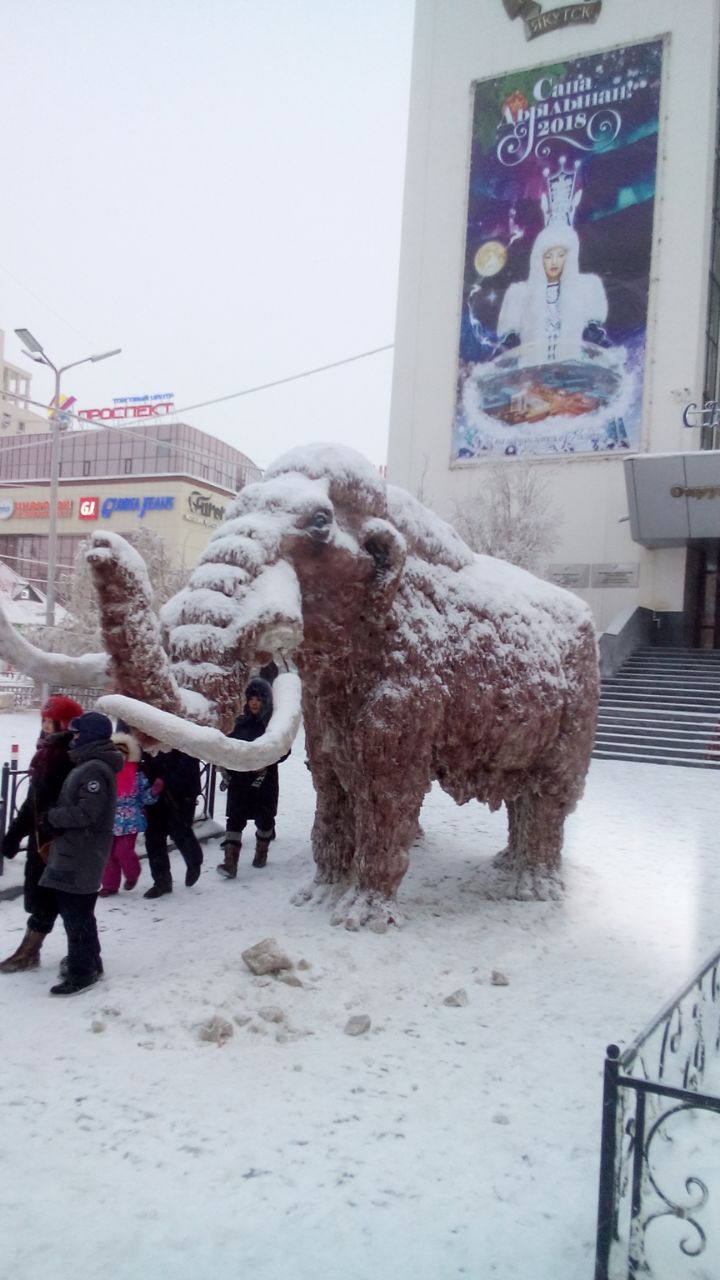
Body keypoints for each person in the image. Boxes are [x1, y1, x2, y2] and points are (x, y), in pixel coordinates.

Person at [40, 711, 123, 996]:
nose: (73, 738)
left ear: (89, 736)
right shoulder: (89, 765)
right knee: (80, 913)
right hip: (78, 851)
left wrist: (54, 816)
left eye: (77, 734)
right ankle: (90, 961)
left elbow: (88, 812)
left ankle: (81, 972)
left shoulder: (94, 770)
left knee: (76, 914)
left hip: (81, 853)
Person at [0, 694, 83, 974]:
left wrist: (51, 825)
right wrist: (15, 835)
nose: (47, 726)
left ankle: (81, 959)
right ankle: (31, 951)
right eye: (45, 720)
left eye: (52, 721)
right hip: (42, 839)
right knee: (42, 896)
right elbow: (33, 801)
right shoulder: (46, 753)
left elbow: (72, 805)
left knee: (64, 902)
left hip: (60, 841)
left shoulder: (70, 757)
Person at [217, 677, 288, 879]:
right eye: (251, 698)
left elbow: (284, 750)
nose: (254, 702)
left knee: (265, 820)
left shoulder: (273, 725)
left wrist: (267, 760)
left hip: (264, 780)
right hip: (239, 779)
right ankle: (230, 863)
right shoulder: (238, 722)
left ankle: (261, 852)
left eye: (258, 698)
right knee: (234, 820)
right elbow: (226, 746)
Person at [99, 731, 163, 896]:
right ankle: (109, 885)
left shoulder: (136, 775)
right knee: (108, 855)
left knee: (124, 851)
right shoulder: (105, 775)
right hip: (109, 821)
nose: (119, 758)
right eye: (116, 754)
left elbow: (144, 797)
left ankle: (132, 873)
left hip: (130, 821)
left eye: (123, 754)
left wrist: (154, 792)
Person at [140, 748, 204, 898]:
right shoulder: (147, 731)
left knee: (180, 831)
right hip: (154, 790)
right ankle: (161, 881)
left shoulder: (179, 728)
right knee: (153, 837)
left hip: (181, 792)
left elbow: (189, 759)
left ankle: (194, 859)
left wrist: (167, 781)